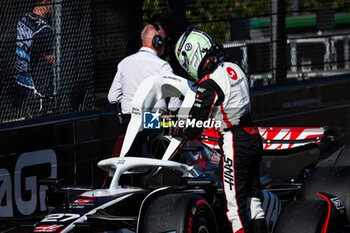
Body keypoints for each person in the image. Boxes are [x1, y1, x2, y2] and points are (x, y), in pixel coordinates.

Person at [172, 27, 267, 233]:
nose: (187, 68)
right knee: (254, 202)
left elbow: (195, 127)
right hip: (252, 135)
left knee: (234, 207)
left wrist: (178, 130)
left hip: (234, 142)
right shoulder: (234, 66)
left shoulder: (209, 83)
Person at [108, 22, 181, 157]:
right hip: (153, 117)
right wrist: (173, 112)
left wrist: (130, 98)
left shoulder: (124, 63)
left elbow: (112, 97)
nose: (164, 43)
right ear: (157, 41)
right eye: (163, 40)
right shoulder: (162, 65)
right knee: (155, 157)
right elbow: (175, 92)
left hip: (129, 119)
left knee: (134, 160)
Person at [15, 0, 55, 118]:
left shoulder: (24, 20)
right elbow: (51, 58)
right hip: (39, 83)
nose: (53, 7)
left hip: (23, 77)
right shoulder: (44, 29)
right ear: (45, 2)